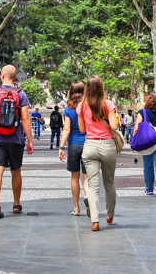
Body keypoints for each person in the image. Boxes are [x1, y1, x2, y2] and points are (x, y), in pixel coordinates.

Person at [0, 65, 34, 219]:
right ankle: (16, 204)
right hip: (16, 139)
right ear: (15, 77)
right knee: (16, 170)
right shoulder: (21, 94)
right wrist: (30, 140)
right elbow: (25, 118)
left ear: (1, 76)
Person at [77, 76, 118, 231]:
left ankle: (95, 221)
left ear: (87, 88)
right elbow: (113, 126)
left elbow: (82, 130)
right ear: (101, 88)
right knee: (109, 183)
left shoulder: (81, 106)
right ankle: (110, 215)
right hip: (107, 145)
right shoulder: (108, 104)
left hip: (90, 146)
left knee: (93, 186)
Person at [59, 82, 89, 217]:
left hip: (73, 145)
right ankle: (88, 195)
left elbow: (66, 129)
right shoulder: (89, 106)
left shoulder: (69, 108)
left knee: (74, 177)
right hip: (88, 144)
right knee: (87, 177)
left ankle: (76, 208)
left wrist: (61, 147)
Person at [134, 92, 156, 198]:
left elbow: (136, 128)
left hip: (147, 140)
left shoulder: (143, 112)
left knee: (147, 165)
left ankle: (149, 188)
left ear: (149, 100)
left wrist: (133, 142)